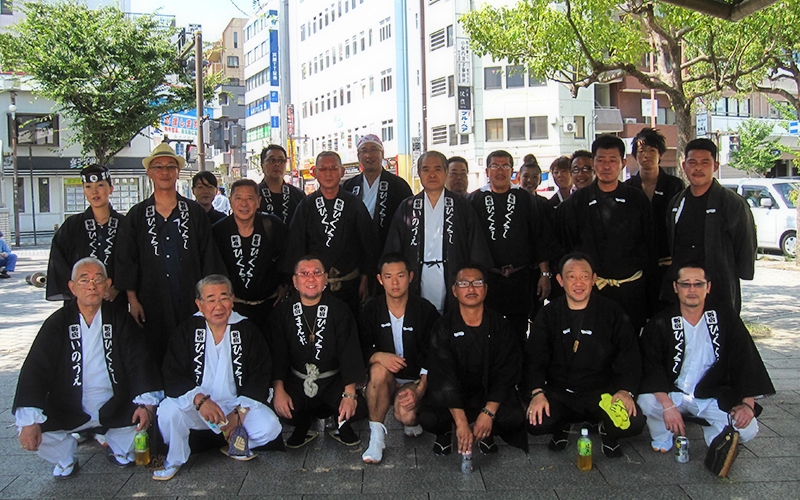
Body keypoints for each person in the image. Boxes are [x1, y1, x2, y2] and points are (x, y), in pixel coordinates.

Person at [13, 258, 162, 478]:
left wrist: (145, 403)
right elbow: (36, 370)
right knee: (31, 429)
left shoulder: (120, 319)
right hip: (68, 405)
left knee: (146, 418)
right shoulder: (57, 323)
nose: (91, 285)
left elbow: (139, 361)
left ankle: (118, 446)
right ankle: (64, 456)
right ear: (72, 287)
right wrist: (29, 419)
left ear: (107, 285)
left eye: (98, 279)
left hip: (114, 403)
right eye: (84, 280)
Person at [638, 263, 775, 465]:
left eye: (698, 284)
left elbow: (745, 359)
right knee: (647, 401)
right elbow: (651, 365)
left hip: (711, 395)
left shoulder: (725, 317)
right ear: (675, 287)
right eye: (686, 284)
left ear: (708, 287)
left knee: (747, 429)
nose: (692, 290)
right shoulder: (662, 321)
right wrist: (667, 406)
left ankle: (713, 433)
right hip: (675, 394)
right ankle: (663, 435)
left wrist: (748, 404)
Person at [154, 275, 282, 481]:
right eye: (211, 299)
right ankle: (175, 459)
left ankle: (234, 443)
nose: (218, 306)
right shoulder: (187, 330)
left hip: (235, 405)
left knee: (270, 426)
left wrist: (239, 412)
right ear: (199, 304)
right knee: (167, 412)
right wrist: (199, 400)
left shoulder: (246, 329)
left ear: (232, 300)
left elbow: (260, 372)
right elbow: (172, 371)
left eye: (224, 298)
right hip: (197, 407)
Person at [525, 253, 646, 457]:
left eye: (584, 276)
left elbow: (629, 355)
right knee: (536, 422)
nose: (578, 283)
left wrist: (625, 390)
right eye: (571, 277)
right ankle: (561, 426)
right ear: (560, 280)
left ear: (594, 279)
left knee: (634, 422)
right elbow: (534, 358)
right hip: (561, 393)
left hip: (603, 394)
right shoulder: (548, 314)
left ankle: (606, 430)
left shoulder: (612, 311)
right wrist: (537, 393)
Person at [116, 142, 226, 365]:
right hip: (150, 300)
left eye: (170, 167)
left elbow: (208, 256)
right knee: (153, 354)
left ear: (178, 172)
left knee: (193, 354)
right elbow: (127, 259)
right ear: (150, 173)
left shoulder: (194, 212)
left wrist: (211, 300)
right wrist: (132, 300)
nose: (164, 172)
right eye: (158, 167)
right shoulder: (137, 215)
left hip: (190, 298)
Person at [419, 262, 527, 456]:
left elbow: (507, 371)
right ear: (454, 290)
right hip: (455, 396)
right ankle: (446, 432)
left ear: (485, 289)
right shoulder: (443, 326)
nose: (471, 288)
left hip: (487, 395)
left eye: (477, 283)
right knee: (429, 417)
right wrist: (461, 423)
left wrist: (488, 412)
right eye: (463, 283)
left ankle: (486, 431)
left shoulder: (501, 325)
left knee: (514, 417)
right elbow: (442, 375)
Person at [555, 135, 656, 331]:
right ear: (593, 163)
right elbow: (567, 249)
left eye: (613, 160)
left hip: (631, 290)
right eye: (601, 160)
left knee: (629, 341)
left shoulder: (637, 199)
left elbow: (650, 247)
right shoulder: (576, 203)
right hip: (591, 291)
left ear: (623, 163)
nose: (607, 166)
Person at [269, 257, 367, 448]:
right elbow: (278, 355)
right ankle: (303, 422)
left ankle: (340, 421)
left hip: (332, 382)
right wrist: (279, 391)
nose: (311, 278)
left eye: (316, 273)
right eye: (304, 273)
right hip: (298, 381)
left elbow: (349, 352)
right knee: (281, 409)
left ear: (325, 279)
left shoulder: (340, 310)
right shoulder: (282, 312)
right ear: (295, 281)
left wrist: (349, 394)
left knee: (360, 407)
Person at [468, 150, 555, 350]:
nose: (500, 171)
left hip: (520, 279)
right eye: (495, 166)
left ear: (512, 171)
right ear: (487, 171)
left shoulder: (525, 198)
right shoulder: (475, 200)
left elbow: (539, 237)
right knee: (488, 335)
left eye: (505, 166)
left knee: (519, 335)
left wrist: (544, 274)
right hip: (487, 281)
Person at [384, 151, 491, 314]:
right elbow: (394, 248)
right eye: (426, 169)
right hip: (417, 276)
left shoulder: (461, 205)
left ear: (446, 172)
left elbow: (475, 245)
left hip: (452, 275)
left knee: (451, 320)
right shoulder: (407, 206)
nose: (432, 174)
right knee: (420, 318)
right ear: (419, 173)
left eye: (437, 169)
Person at [358, 253, 440, 464]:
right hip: (386, 379)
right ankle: (377, 438)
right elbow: (358, 348)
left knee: (406, 415)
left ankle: (410, 417)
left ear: (410, 277)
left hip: (415, 379)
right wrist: (378, 356)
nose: (395, 283)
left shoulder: (425, 310)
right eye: (388, 276)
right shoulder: (370, 310)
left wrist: (420, 389)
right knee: (377, 369)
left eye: (400, 276)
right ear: (380, 279)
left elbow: (435, 353)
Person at [666, 139, 757, 312]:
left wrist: (741, 272)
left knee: (720, 326)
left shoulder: (731, 202)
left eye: (704, 162)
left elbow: (745, 242)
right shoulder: (677, 202)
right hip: (684, 283)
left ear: (715, 166)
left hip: (719, 283)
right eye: (692, 162)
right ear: (684, 166)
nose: (698, 168)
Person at [285, 151, 378, 318]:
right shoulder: (306, 205)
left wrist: (365, 280)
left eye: (334, 168)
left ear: (342, 172)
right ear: (315, 172)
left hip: (350, 285)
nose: (328, 173)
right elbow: (296, 247)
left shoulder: (354, 204)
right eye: (323, 169)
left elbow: (368, 245)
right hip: (314, 286)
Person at [212, 179, 289, 336]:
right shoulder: (218, 231)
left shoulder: (272, 225)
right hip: (233, 309)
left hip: (270, 307)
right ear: (230, 201)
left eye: (250, 198)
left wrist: (285, 283)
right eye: (238, 198)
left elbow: (288, 255)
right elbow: (213, 267)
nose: (244, 204)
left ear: (258, 202)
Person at [625, 128, 684, 304]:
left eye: (652, 150)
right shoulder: (627, 188)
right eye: (641, 151)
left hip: (668, 264)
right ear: (635, 156)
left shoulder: (675, 185)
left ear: (660, 155)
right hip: (637, 267)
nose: (647, 155)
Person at [46, 166, 124, 300]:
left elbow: (133, 262)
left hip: (115, 301)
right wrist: (78, 290)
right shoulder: (72, 226)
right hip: (80, 302)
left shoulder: (125, 224)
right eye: (88, 187)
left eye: (100, 185)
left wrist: (118, 287)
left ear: (111, 189)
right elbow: (59, 262)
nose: (94, 191)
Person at [343, 134, 413, 250]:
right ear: (358, 156)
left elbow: (409, 222)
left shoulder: (399, 186)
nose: (369, 155)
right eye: (364, 151)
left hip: (389, 250)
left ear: (382, 153)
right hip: (356, 252)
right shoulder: (349, 186)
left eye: (374, 149)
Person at [257, 145, 305, 225]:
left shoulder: (298, 195)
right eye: (272, 160)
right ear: (262, 165)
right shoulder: (254, 194)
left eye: (281, 161)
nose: (277, 164)